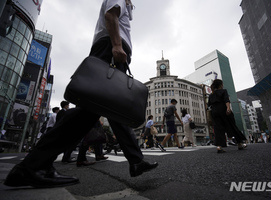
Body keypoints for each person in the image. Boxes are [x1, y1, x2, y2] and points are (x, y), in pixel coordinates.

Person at [4, 0, 157, 188]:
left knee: (113, 108)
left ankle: (136, 160)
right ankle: (33, 165)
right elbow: (111, 15)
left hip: (111, 49)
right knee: (88, 113)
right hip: (111, 49)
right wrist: (117, 45)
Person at [208, 79, 247, 153]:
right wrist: (228, 108)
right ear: (220, 85)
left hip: (215, 112)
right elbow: (226, 100)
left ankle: (219, 146)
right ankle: (240, 143)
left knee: (218, 129)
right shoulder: (223, 91)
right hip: (224, 110)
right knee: (232, 126)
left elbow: (209, 105)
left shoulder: (211, 95)